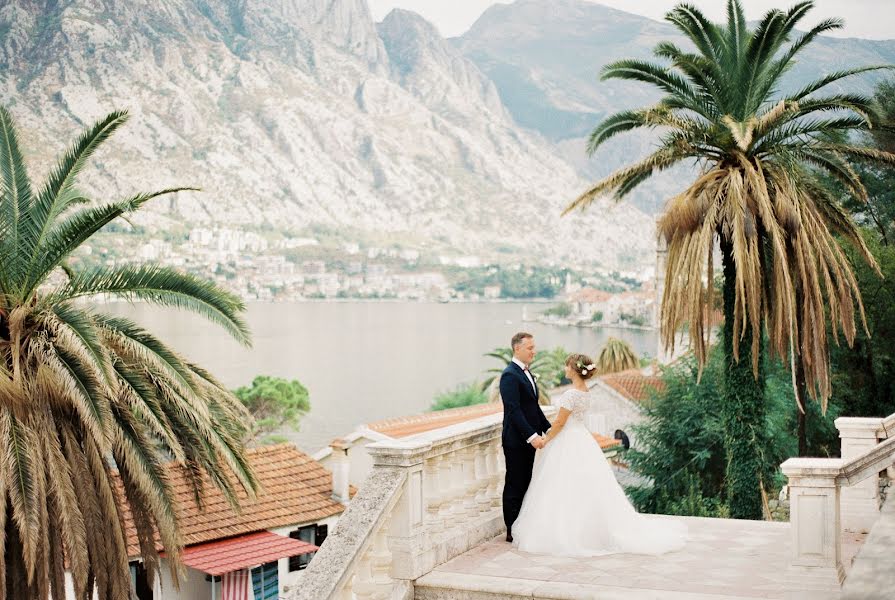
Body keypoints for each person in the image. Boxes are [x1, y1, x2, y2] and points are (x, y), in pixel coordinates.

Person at [511, 353, 687, 556]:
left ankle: (567, 533)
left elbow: (559, 423)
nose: (564, 369)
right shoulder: (586, 392)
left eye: (566, 366)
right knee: (586, 484)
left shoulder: (570, 395)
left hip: (568, 440)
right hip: (582, 438)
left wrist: (545, 440)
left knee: (562, 484)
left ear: (574, 369)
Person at [500, 332, 551, 544]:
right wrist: (532, 436)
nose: (534, 351)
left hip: (529, 440)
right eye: (529, 348)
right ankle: (511, 529)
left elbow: (532, 407)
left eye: (534, 347)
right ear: (517, 349)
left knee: (527, 482)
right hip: (516, 441)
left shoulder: (527, 373)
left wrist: (549, 429)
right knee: (515, 484)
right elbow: (514, 410)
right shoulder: (509, 375)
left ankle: (522, 525)